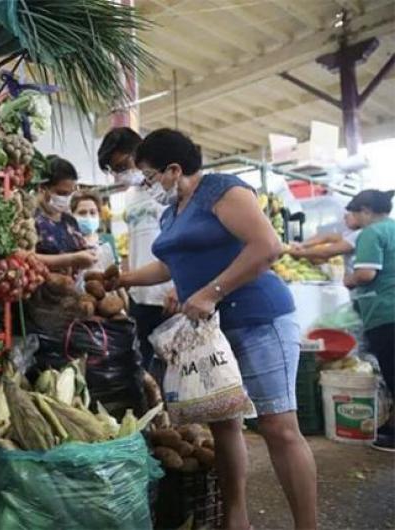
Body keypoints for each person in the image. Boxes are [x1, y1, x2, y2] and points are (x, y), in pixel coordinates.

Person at [119, 128, 317, 529]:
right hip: (211, 334)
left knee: (278, 427)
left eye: (151, 176)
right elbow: (169, 264)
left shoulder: (222, 191)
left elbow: (267, 246)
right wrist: (122, 280)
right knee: (224, 426)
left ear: (174, 169)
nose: (149, 185)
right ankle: (235, 518)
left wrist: (211, 291)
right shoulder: (172, 211)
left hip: (259, 319)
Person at [98, 127, 176, 369]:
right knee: (143, 371)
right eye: (113, 170)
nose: (119, 175)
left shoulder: (168, 188)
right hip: (140, 298)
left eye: (122, 166)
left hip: (171, 297)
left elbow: (183, 242)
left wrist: (181, 287)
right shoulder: (130, 196)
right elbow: (134, 244)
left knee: (179, 370)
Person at [342, 189, 395, 451]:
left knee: (393, 371)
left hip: (387, 312)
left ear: (365, 211)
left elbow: (365, 274)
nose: (352, 219)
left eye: (353, 213)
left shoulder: (372, 233)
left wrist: (348, 280)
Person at [33, 156, 98, 271]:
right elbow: (26, 258)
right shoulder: (31, 220)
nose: (66, 198)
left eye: (70, 194)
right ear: (42, 188)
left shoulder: (69, 221)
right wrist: (71, 259)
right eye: (61, 193)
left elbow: (80, 250)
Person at [70, 191, 118, 273]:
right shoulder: (68, 242)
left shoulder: (107, 239)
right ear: (72, 216)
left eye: (93, 213)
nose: (88, 217)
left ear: (99, 215)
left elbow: (115, 269)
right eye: (82, 213)